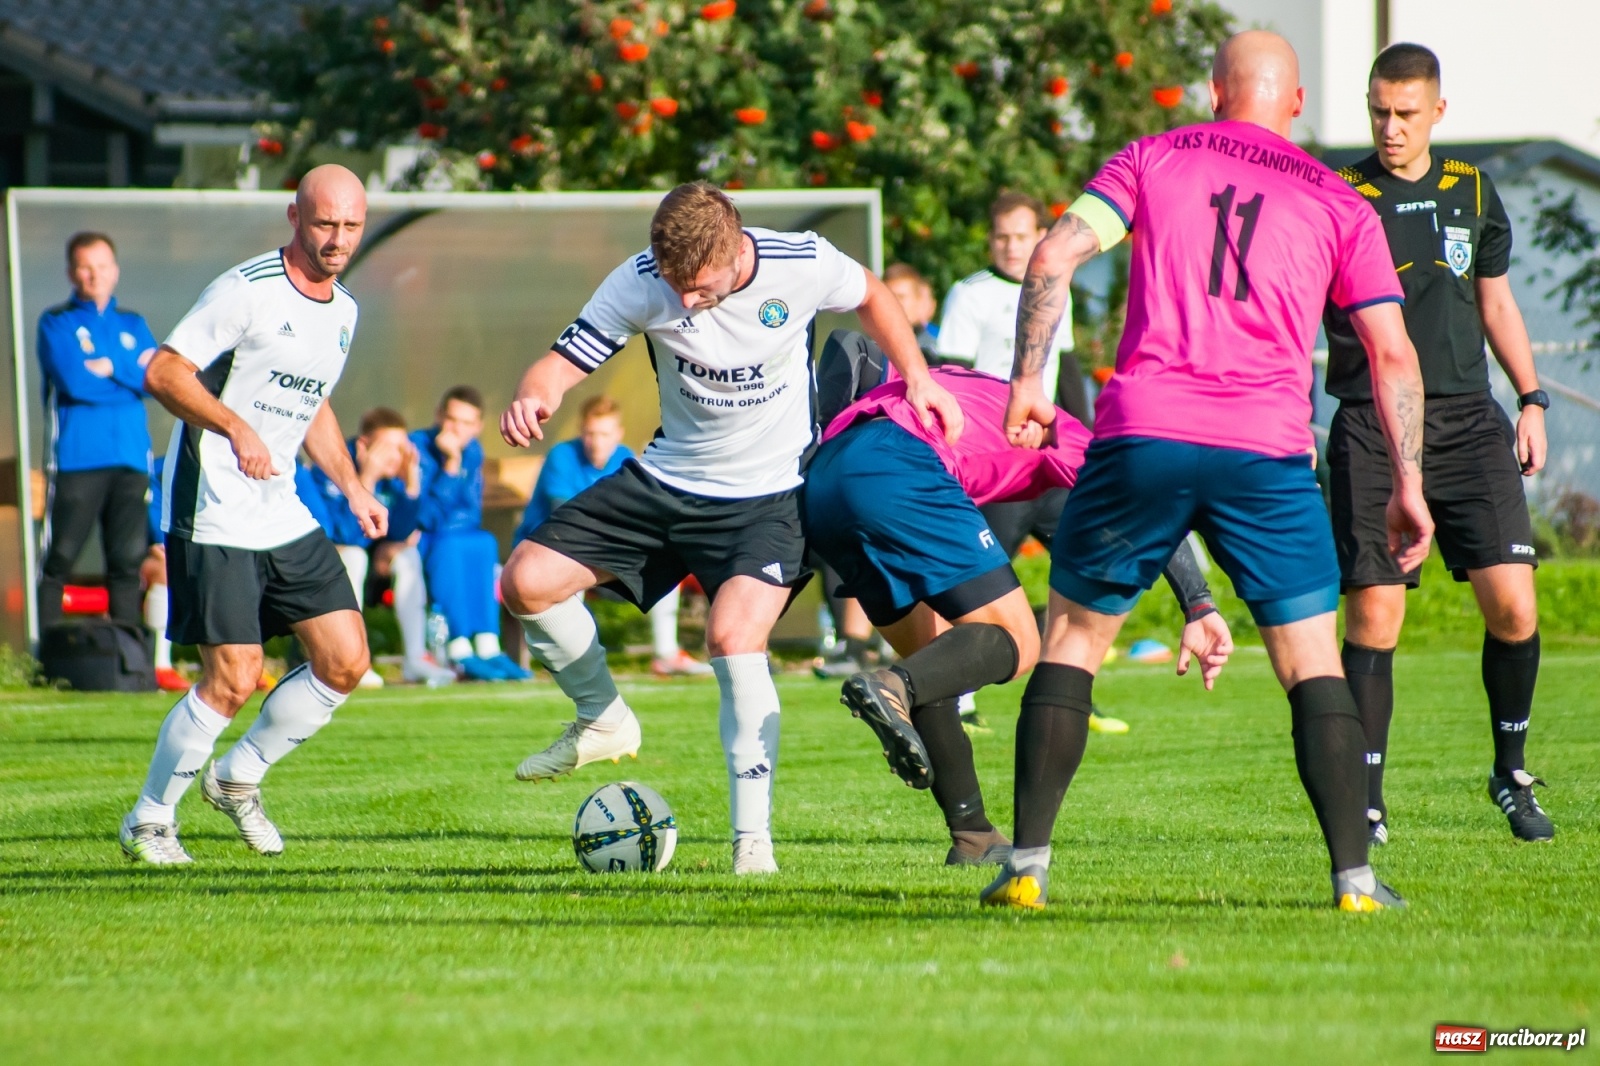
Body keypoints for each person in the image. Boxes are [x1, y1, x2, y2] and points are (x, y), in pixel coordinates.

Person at [985, 32, 1432, 912]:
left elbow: (1050, 256)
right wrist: (1408, 482)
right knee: (1311, 663)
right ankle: (1355, 883)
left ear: (1213, 90)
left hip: (1143, 434)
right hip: (1264, 452)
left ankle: (1027, 866)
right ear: (1295, 105)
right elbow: (1392, 353)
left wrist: (1030, 382)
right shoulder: (1343, 204)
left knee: (1074, 642)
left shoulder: (1153, 156)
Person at [499, 180, 963, 874]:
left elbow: (872, 292)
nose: (684, 302)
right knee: (526, 581)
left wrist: (918, 376)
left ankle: (753, 846)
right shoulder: (643, 279)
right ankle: (602, 716)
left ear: (735, 249)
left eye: (700, 286)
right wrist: (536, 392)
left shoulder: (798, 262)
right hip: (669, 478)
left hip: (771, 495)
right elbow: (563, 362)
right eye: (675, 287)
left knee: (731, 637)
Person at [807, 362, 1230, 865]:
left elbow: (849, 348)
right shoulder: (1067, 432)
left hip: (826, 481)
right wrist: (1199, 603)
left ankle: (972, 837)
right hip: (899, 466)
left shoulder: (944, 378)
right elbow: (1148, 506)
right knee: (1019, 641)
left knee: (935, 660)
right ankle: (891, 687)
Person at [119, 164, 384, 865]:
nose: (338, 239)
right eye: (325, 223)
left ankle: (239, 776)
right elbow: (163, 371)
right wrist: (235, 428)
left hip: (280, 507)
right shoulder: (246, 291)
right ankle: (149, 820)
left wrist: (353, 487)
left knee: (346, 659)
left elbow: (311, 400)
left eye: (352, 226)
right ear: (295, 217)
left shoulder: (345, 310)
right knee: (236, 675)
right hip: (211, 503)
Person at [1324, 44, 1553, 845]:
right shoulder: (1340, 194)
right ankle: (1367, 799)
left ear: (1438, 113)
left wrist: (1530, 399)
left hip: (1466, 418)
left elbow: (1495, 302)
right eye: (1378, 111)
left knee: (1514, 606)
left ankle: (1511, 772)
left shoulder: (1473, 189)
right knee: (1376, 616)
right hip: (1369, 423)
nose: (1390, 128)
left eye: (1406, 113)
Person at [936, 194, 1105, 733]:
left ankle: (1071, 690)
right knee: (974, 582)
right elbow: (951, 379)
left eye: (1021, 235)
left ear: (1040, 236)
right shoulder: (969, 296)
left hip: (1050, 465)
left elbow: (1067, 368)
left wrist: (1089, 443)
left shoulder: (1057, 287)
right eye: (1002, 236)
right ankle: (955, 696)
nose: (1012, 246)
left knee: (1089, 573)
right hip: (998, 466)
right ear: (990, 240)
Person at [516, 394, 711, 678]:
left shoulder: (624, 458)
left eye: (605, 434)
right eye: (591, 433)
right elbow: (565, 521)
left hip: (603, 551)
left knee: (667, 562)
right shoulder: (562, 456)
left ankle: (666, 654)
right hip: (548, 551)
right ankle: (572, 660)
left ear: (617, 434)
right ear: (582, 431)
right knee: (573, 559)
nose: (597, 441)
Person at [36, 232, 157, 632]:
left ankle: (130, 657)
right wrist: (129, 373)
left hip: (130, 458)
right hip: (78, 459)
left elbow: (156, 380)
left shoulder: (133, 323)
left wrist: (113, 368)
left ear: (115, 271)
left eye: (102, 266)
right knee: (61, 557)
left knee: (126, 562)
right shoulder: (57, 322)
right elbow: (75, 382)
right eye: (86, 267)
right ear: (72, 273)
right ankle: (44, 655)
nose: (94, 275)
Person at [295, 406, 454, 687]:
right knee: (354, 556)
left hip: (375, 571)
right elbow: (341, 534)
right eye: (389, 448)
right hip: (328, 574)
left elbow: (402, 532)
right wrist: (365, 478)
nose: (399, 456)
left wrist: (412, 485)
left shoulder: (396, 477)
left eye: (403, 448)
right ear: (363, 446)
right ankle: (352, 657)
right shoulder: (328, 470)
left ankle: (415, 659)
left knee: (407, 556)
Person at [412, 386, 531, 681]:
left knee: (484, 542)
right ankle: (459, 647)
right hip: (424, 539)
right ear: (439, 416)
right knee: (453, 545)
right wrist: (450, 467)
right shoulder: (417, 448)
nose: (457, 430)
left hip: (457, 534)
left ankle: (488, 645)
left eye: (466, 424)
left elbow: (470, 511)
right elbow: (424, 516)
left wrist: (450, 493)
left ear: (477, 427)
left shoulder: (473, 451)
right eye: (452, 420)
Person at [140, 456, 190, 692]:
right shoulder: (166, 466)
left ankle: (243, 662)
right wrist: (159, 539)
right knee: (165, 565)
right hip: (148, 554)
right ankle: (160, 665)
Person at [884, 263, 940, 360]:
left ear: (918, 301)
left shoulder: (935, 351)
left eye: (900, 297)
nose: (893, 303)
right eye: (888, 296)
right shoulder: (872, 348)